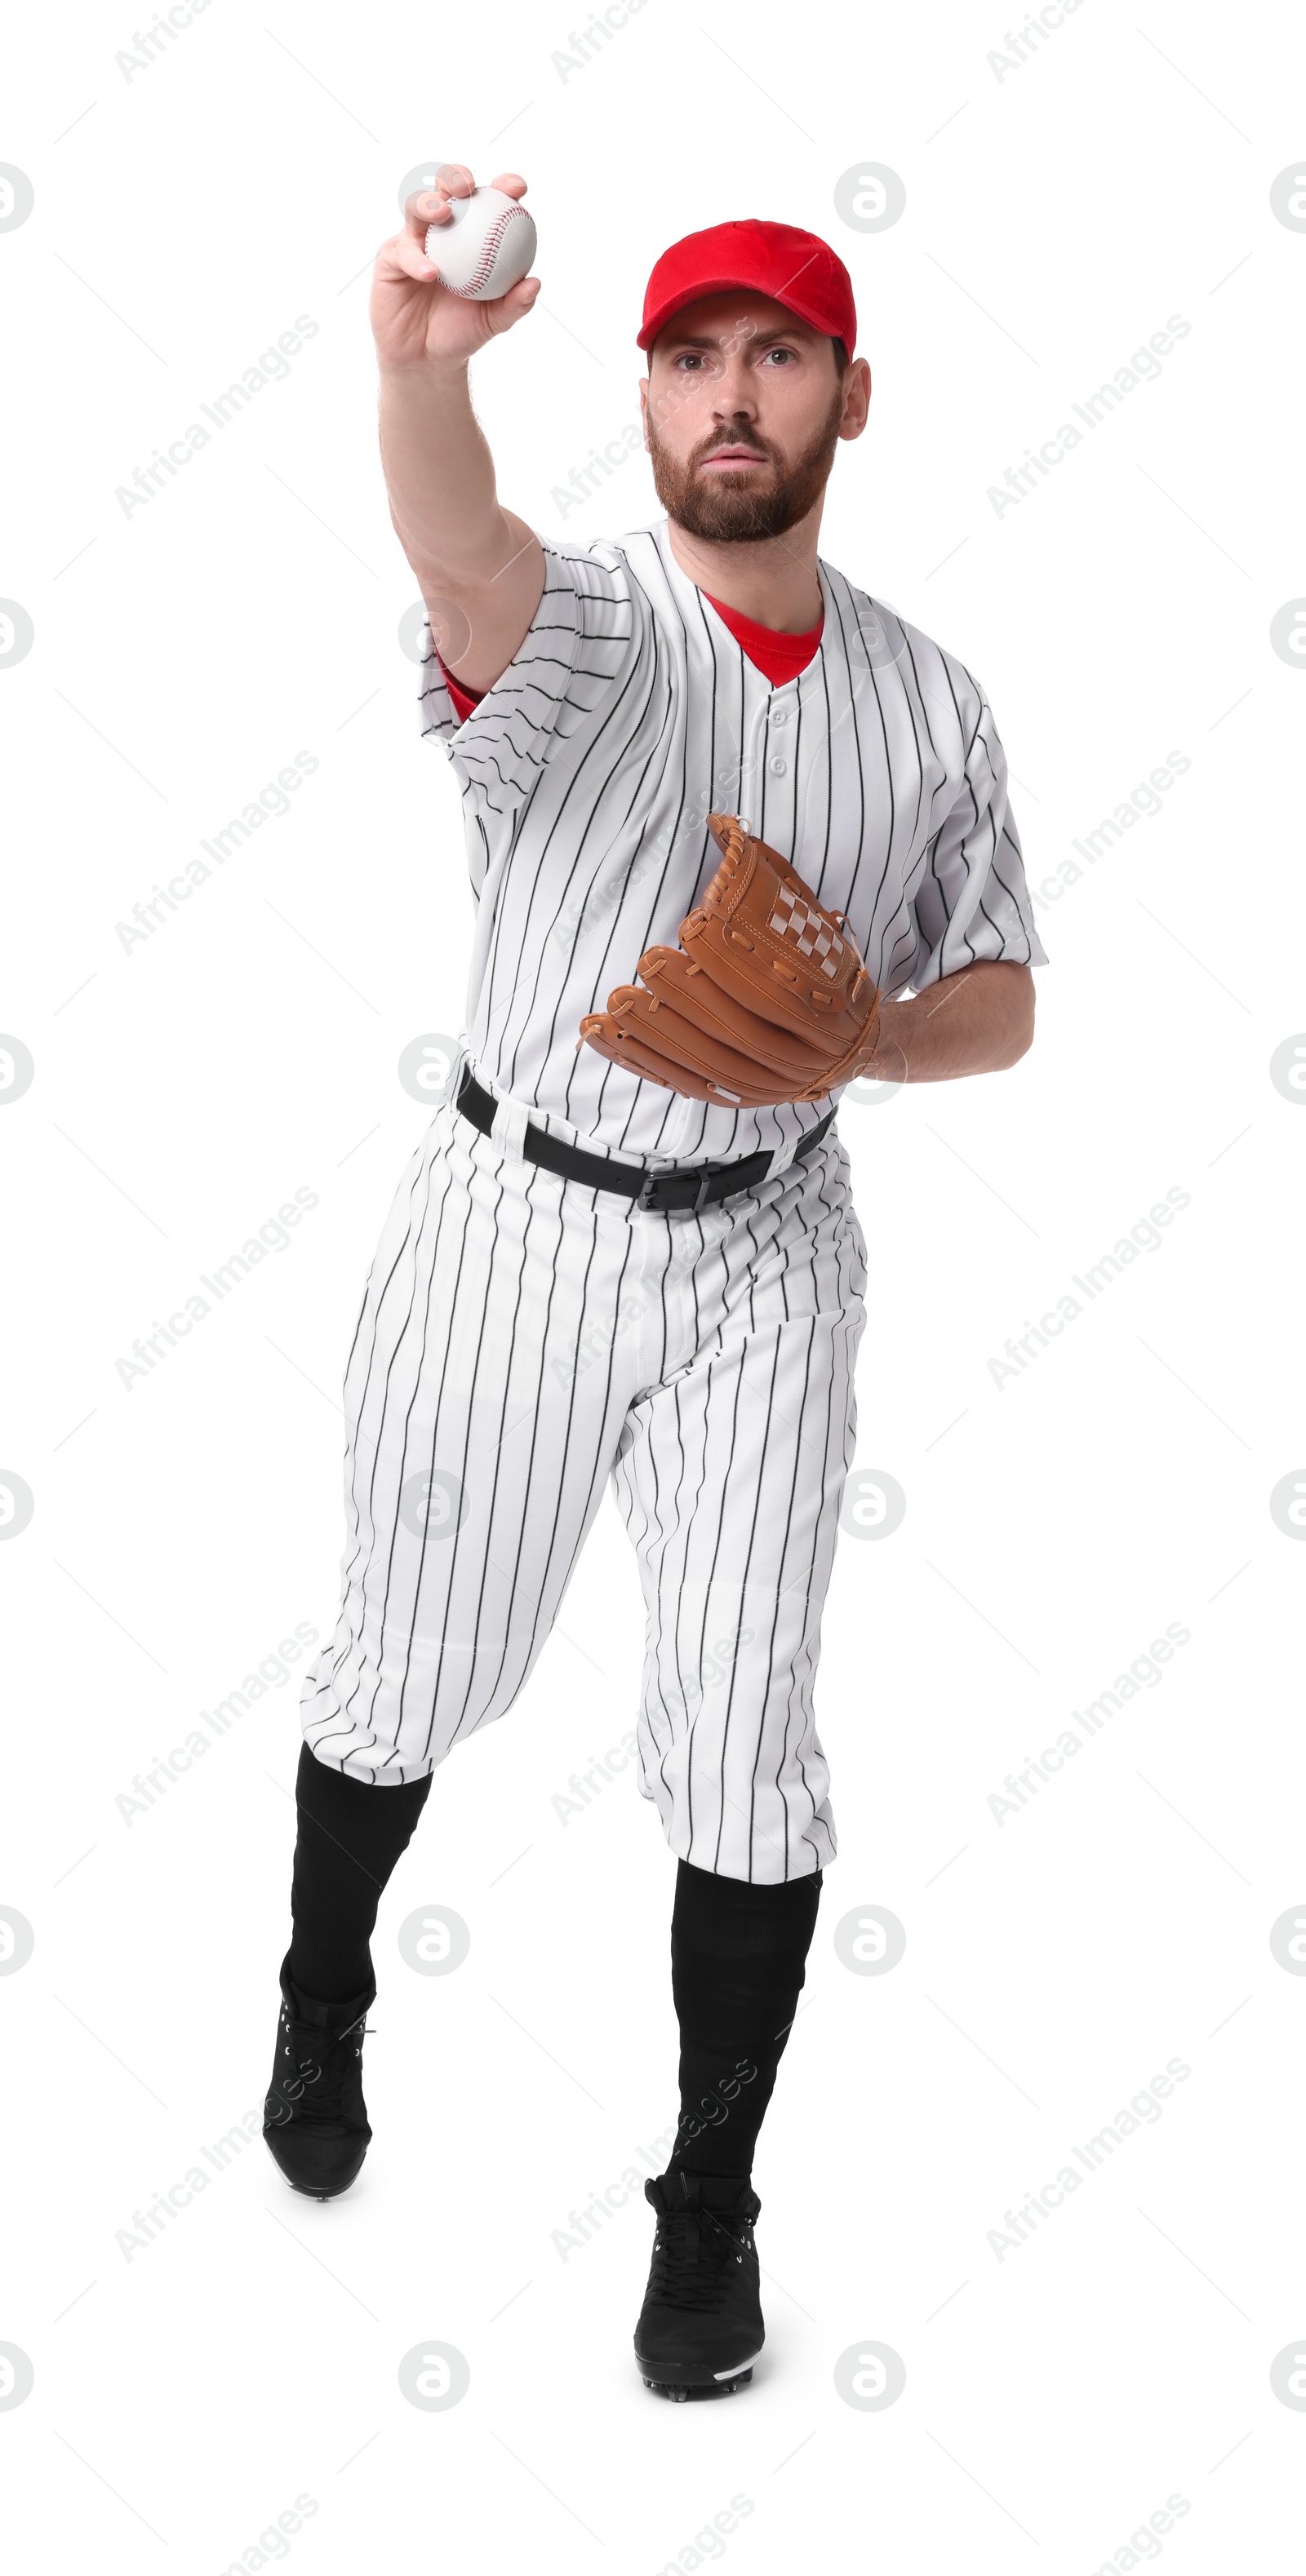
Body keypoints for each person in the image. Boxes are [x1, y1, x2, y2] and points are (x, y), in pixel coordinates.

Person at [263, 167, 1045, 2401]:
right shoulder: (588, 624)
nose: (734, 390)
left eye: (777, 351)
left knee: (747, 1753)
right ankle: (323, 1991)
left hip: (770, 1255)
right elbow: (460, 543)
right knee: (412, 1674)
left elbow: (997, 991)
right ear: (645, 391)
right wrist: (420, 382)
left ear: (845, 396)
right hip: (518, 1225)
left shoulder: (930, 701)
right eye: (695, 352)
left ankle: (709, 2218)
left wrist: (877, 1036)